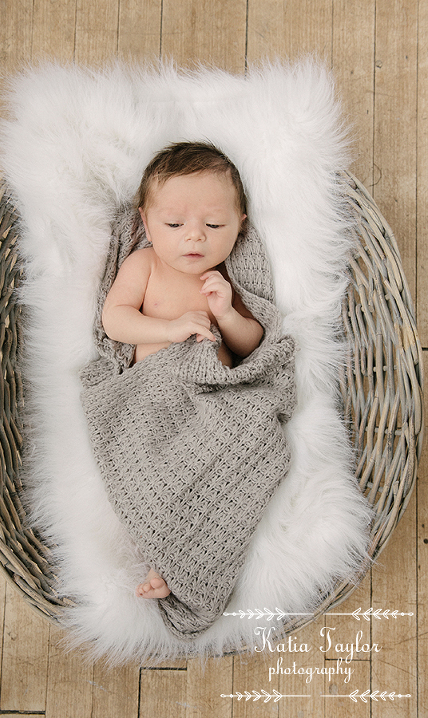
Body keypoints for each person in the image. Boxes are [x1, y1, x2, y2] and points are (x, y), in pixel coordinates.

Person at [101, 141, 264, 599]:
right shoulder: (145, 263)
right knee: (154, 478)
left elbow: (251, 346)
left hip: (215, 402)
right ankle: (165, 560)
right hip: (153, 400)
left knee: (243, 460)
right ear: (145, 221)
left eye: (214, 224)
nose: (194, 237)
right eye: (174, 224)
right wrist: (169, 329)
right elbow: (114, 320)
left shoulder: (228, 277)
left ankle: (196, 559)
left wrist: (228, 314)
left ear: (239, 226)